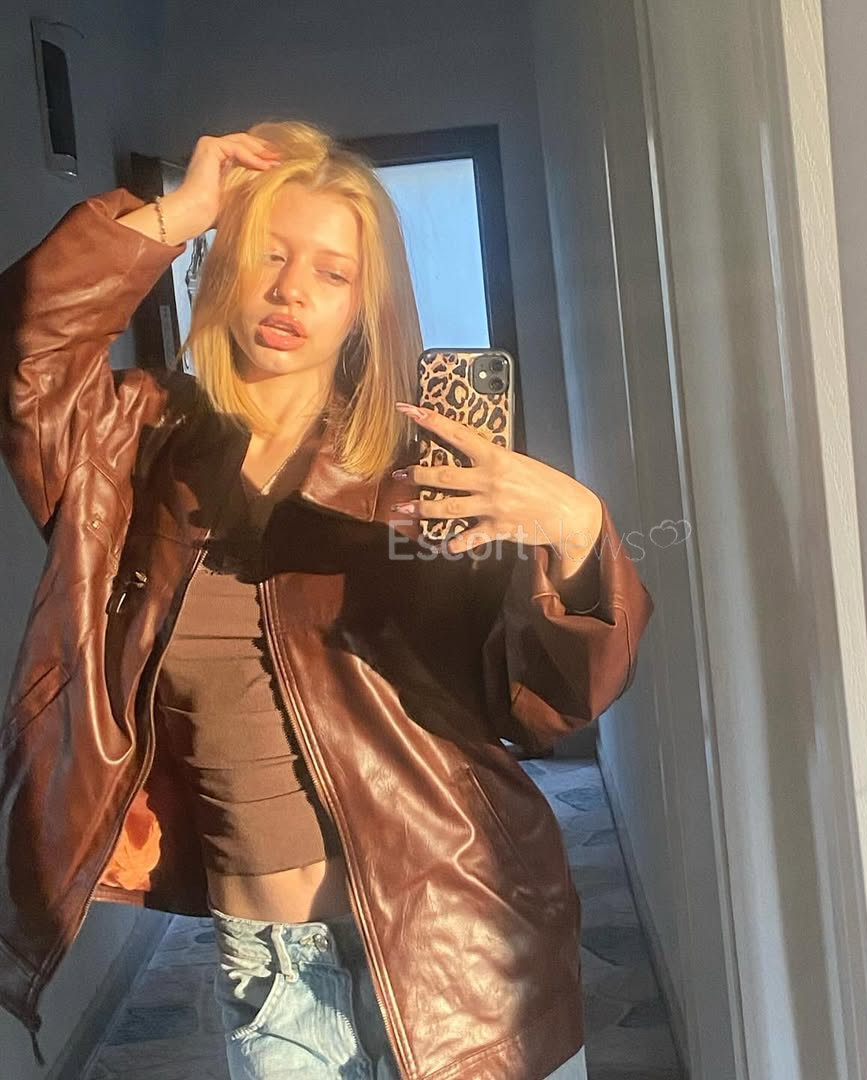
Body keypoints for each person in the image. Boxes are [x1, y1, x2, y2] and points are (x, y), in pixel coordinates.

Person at [0, 121, 653, 1079]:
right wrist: (177, 212)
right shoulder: (130, 448)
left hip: (464, 936)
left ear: (362, 307)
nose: (291, 290)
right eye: (267, 254)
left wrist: (580, 535)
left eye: (332, 272)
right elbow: (27, 349)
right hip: (269, 967)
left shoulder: (419, 475)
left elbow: (547, 704)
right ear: (221, 264)